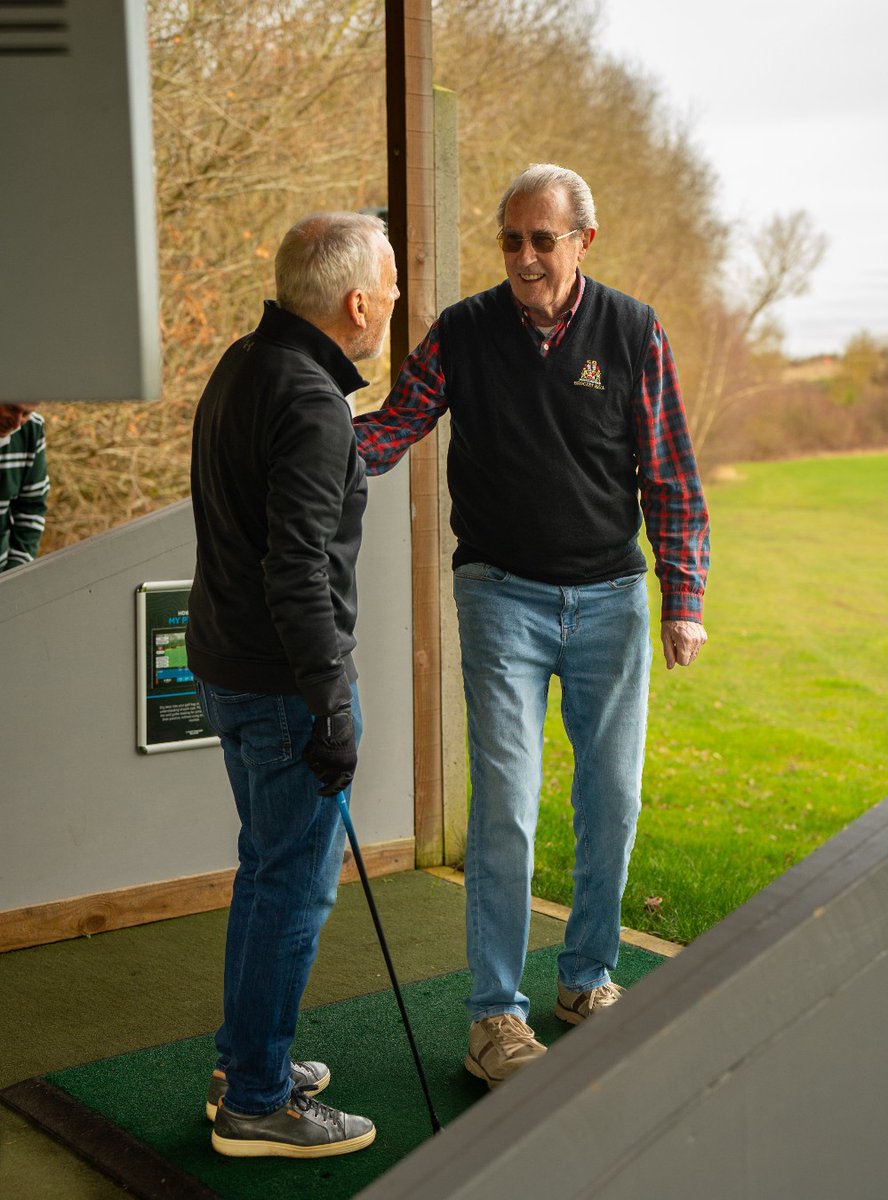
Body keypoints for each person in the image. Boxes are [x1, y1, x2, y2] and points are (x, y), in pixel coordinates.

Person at [354, 163, 709, 1089]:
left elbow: (668, 472)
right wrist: (304, 434)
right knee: (507, 809)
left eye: (540, 239)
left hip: (609, 603)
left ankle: (586, 980)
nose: (522, 257)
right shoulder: (463, 333)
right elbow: (393, 428)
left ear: (583, 241)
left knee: (613, 802)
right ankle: (493, 1019)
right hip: (501, 596)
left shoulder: (631, 330)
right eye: (510, 239)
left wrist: (686, 596)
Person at [187, 211, 399, 1156]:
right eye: (390, 285)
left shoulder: (244, 362)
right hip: (280, 685)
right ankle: (260, 1103)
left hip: (231, 667)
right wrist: (332, 703)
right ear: (357, 303)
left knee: (266, 871)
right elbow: (298, 569)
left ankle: (247, 1060)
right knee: (295, 889)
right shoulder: (314, 401)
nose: (395, 298)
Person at [0, 403, 48, 572]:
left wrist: (15, 574)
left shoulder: (32, 429)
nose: (16, 423)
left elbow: (31, 510)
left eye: (26, 413)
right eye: (11, 409)